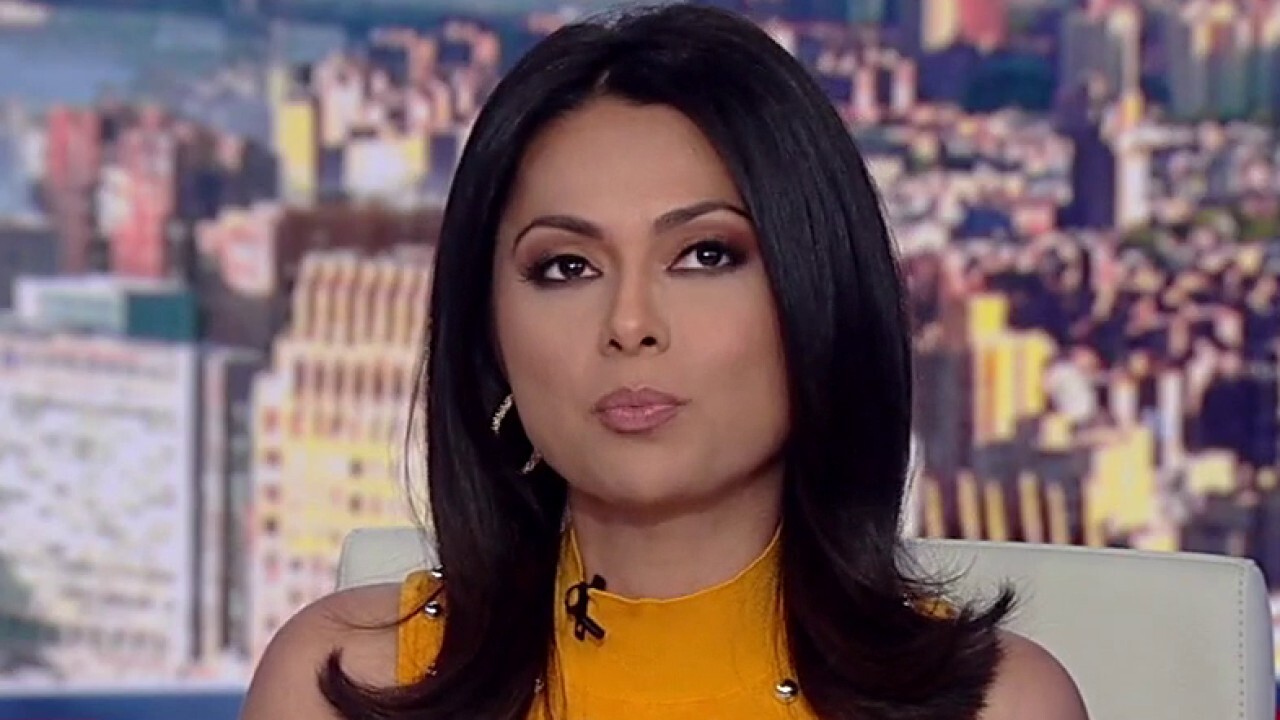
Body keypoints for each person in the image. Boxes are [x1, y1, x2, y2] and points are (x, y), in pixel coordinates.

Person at [240, 4, 1089, 719]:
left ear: (815, 292)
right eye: (566, 267)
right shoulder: (339, 687)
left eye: (706, 256)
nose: (630, 323)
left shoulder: (998, 707)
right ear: (490, 335)